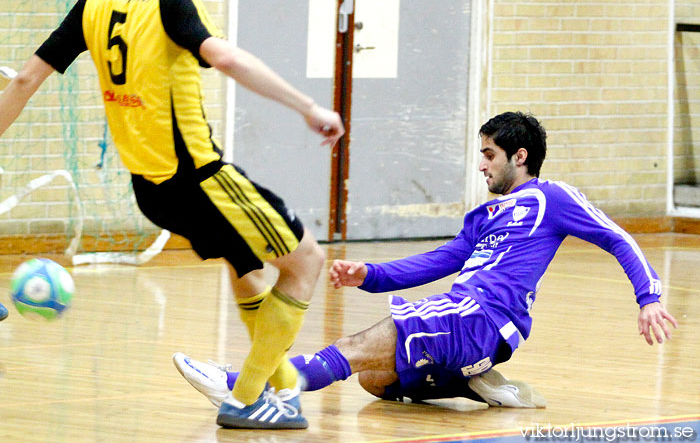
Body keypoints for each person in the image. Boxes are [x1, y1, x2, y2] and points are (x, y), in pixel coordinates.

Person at [0, 0, 344, 430]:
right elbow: (224, 57)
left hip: (149, 189)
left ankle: (285, 388)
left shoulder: (94, 3)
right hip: (202, 178)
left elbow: (24, 80)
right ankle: (248, 399)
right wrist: (308, 107)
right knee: (307, 264)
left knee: (247, 268)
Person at [174, 111, 678, 410]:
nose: (481, 164)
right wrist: (369, 274)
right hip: (463, 315)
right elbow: (445, 258)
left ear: (520, 157)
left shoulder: (553, 198)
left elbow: (619, 239)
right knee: (375, 380)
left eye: (489, 155)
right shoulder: (484, 213)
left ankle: (250, 388)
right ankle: (471, 380)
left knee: (355, 346)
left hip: (485, 318)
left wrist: (649, 298)